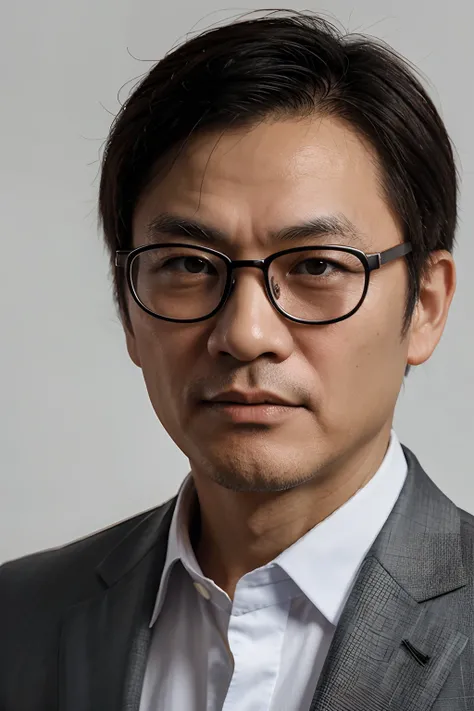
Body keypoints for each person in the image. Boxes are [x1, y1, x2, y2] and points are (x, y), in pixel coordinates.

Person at [0, 9, 471, 710]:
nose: (246, 332)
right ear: (127, 306)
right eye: (189, 263)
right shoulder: (19, 620)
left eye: (316, 264)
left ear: (426, 306)